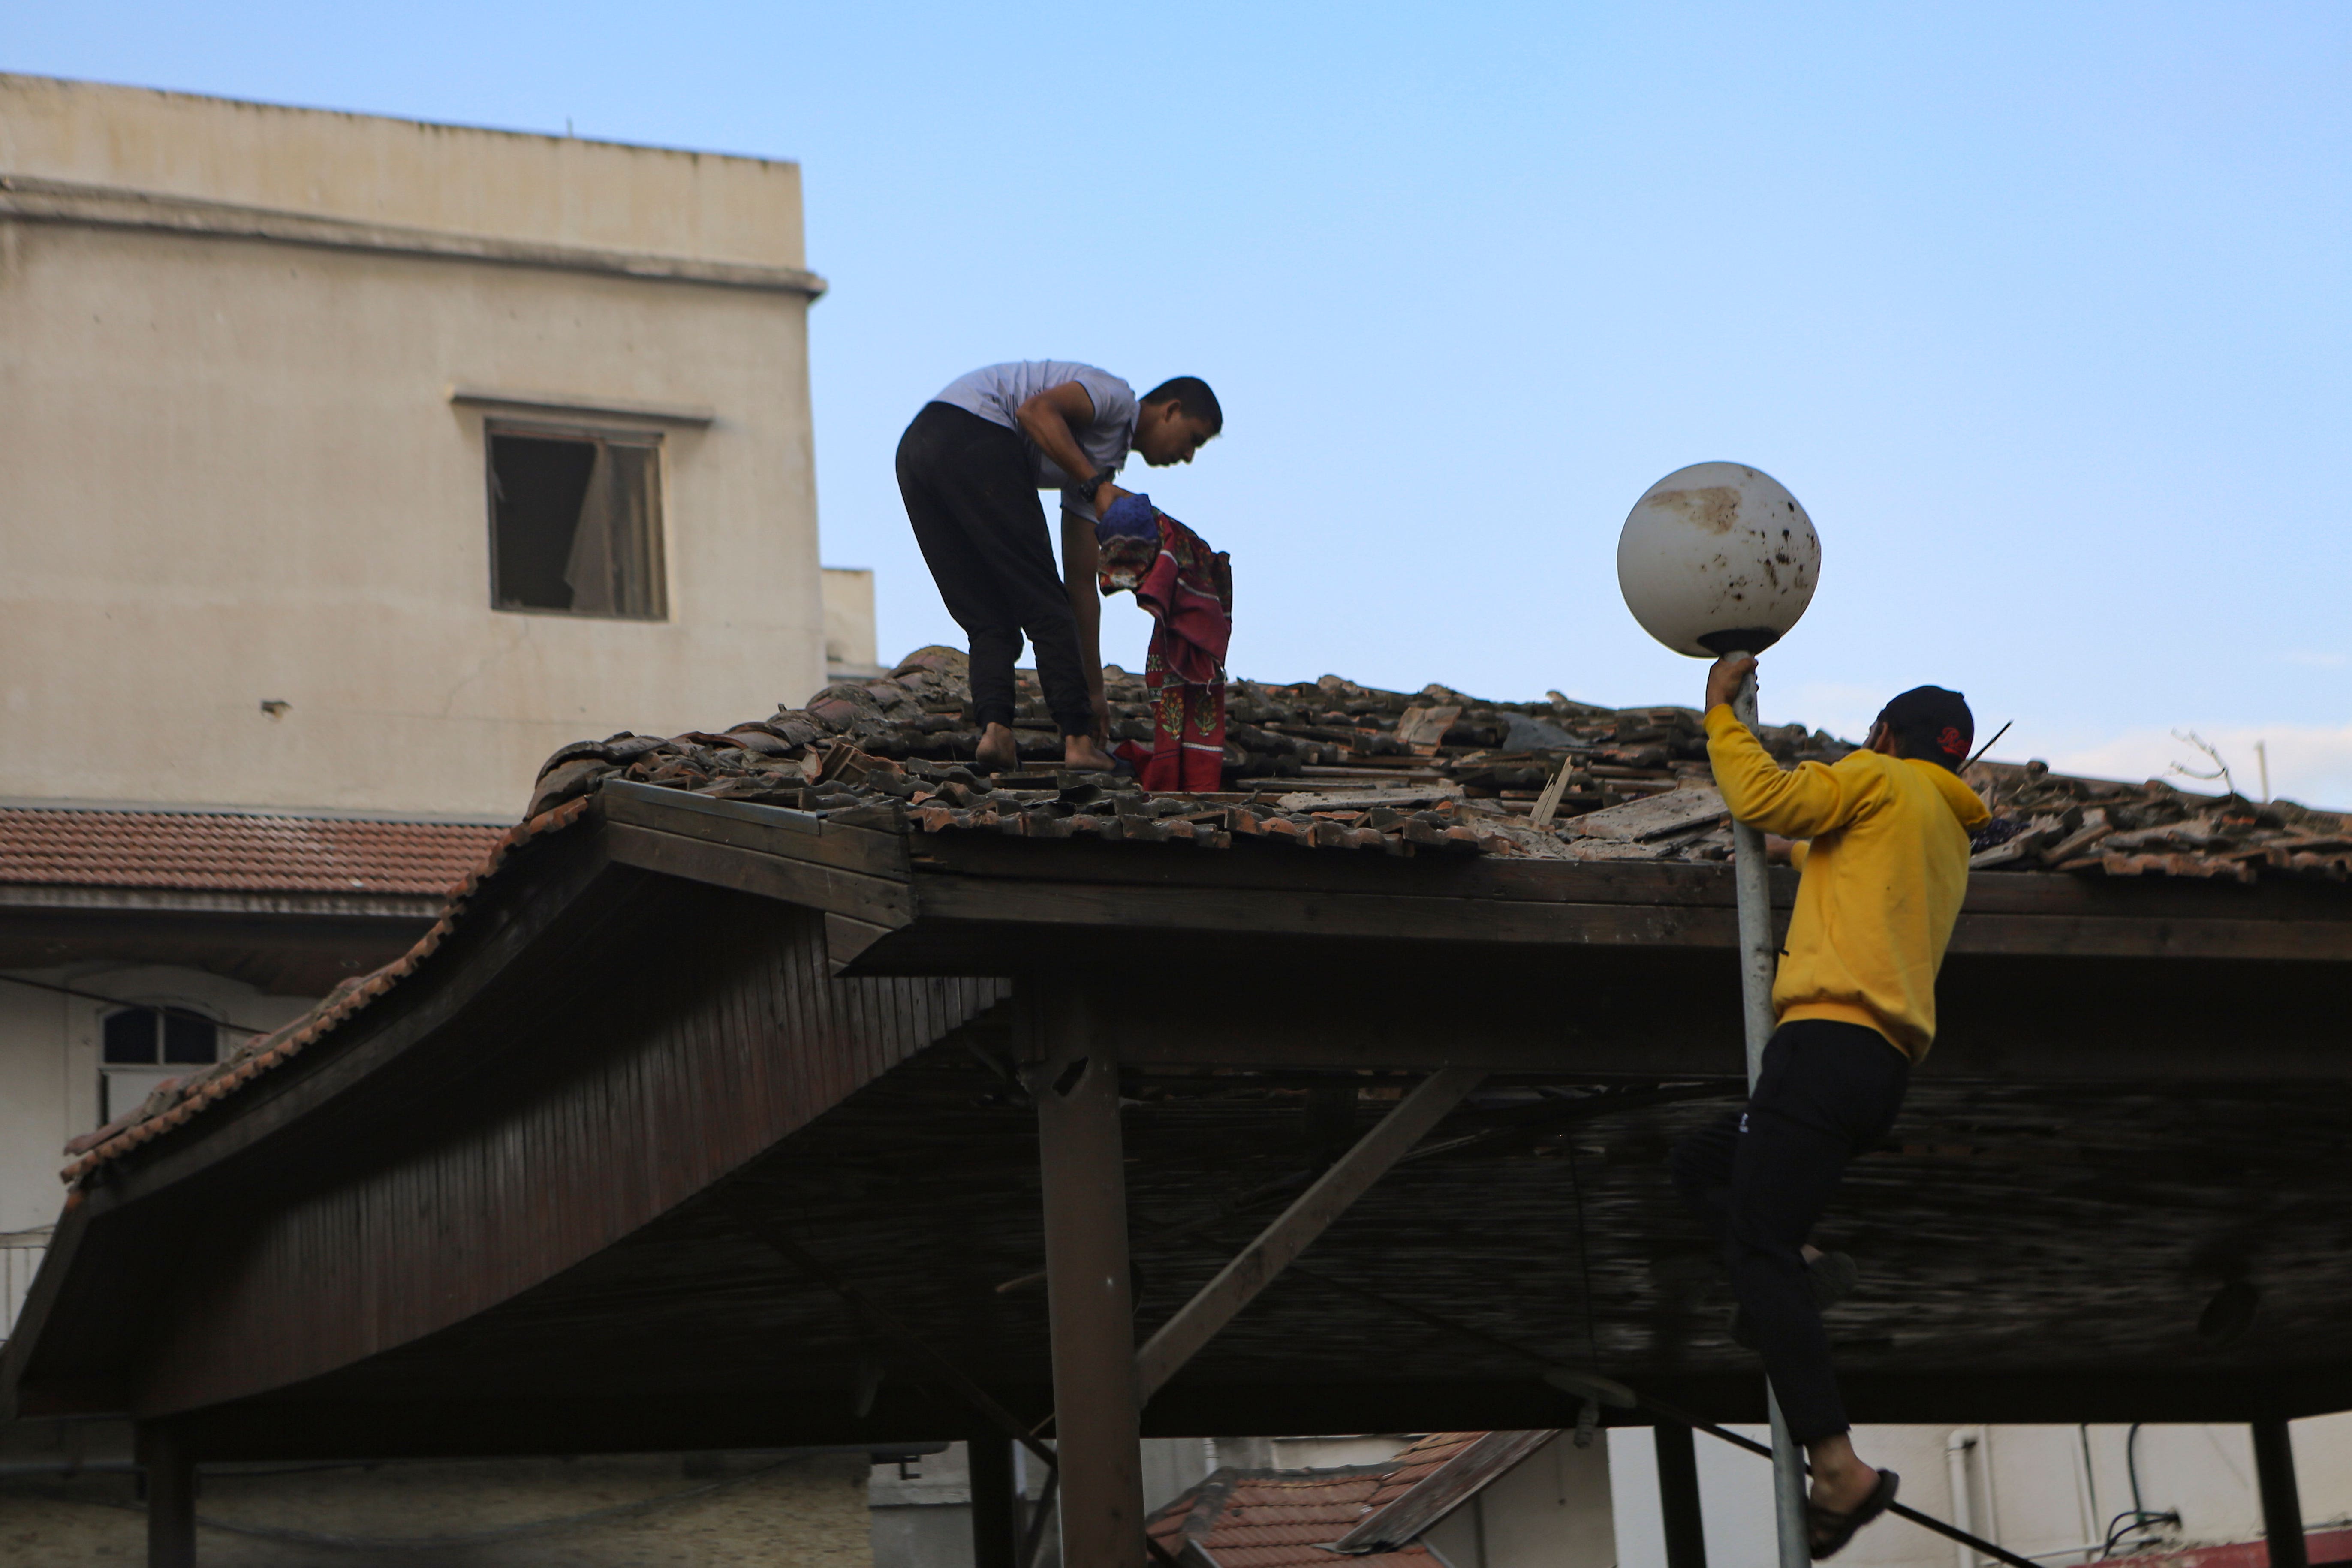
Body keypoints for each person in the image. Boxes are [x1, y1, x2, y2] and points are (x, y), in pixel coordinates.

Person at [1672, 656, 1989, 1560]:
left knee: (1754, 1247)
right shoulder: (1941, 824)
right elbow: (1832, 857)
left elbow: (1769, 796)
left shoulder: (1874, 777)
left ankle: (1837, 1463)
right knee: (1703, 1165)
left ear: (1886, 735)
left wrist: (1720, 716)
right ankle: (1800, 1271)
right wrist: (1796, 851)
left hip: (1824, 1047)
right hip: (1877, 1070)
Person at [896, 362, 1223, 772]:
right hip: (970, 430)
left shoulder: (1092, 467)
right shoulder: (1115, 398)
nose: (1189, 457)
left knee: (990, 619)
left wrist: (1096, 692)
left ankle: (996, 732)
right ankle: (1077, 743)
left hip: (917, 452)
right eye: (1194, 439)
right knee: (1044, 602)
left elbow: (1081, 585)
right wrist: (1095, 485)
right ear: (1171, 410)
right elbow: (1036, 412)